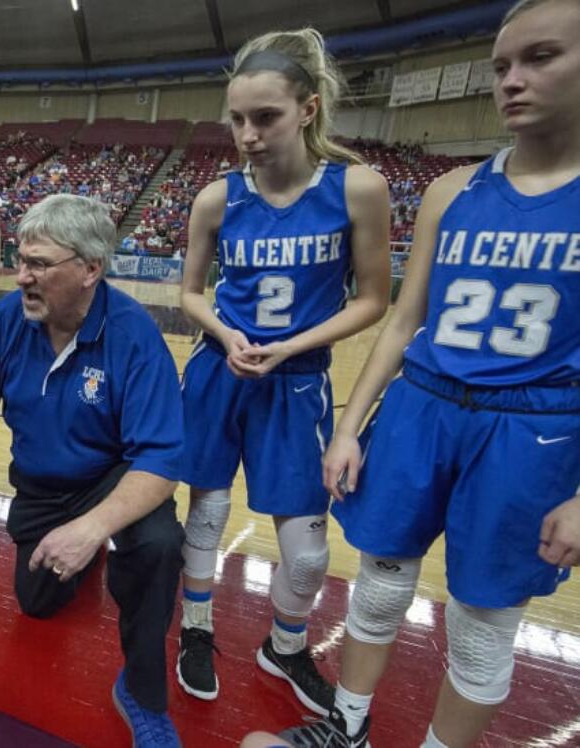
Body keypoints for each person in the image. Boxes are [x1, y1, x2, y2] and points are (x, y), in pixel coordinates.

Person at [278, 2, 580, 745]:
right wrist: (349, 427)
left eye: (541, 58)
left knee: (482, 624)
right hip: (422, 409)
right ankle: (345, 728)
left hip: (532, 430)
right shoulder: (452, 191)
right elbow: (404, 321)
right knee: (379, 587)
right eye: (503, 65)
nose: (513, 79)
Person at [0, 194, 187, 747]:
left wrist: (93, 529)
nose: (21, 277)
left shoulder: (135, 336)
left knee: (158, 542)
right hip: (42, 486)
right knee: (37, 605)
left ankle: (141, 692)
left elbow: (160, 464)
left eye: (39, 264)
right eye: (20, 260)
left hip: (113, 477)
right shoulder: (10, 320)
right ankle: (80, 553)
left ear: (90, 269)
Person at [177, 28, 391, 714]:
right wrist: (227, 333)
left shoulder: (358, 188)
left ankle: (287, 646)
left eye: (264, 116)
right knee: (206, 513)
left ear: (308, 107)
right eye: (236, 118)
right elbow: (188, 294)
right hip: (220, 371)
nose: (247, 134)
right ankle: (196, 628)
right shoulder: (216, 198)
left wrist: (292, 347)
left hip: (298, 385)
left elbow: (374, 301)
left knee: (304, 554)